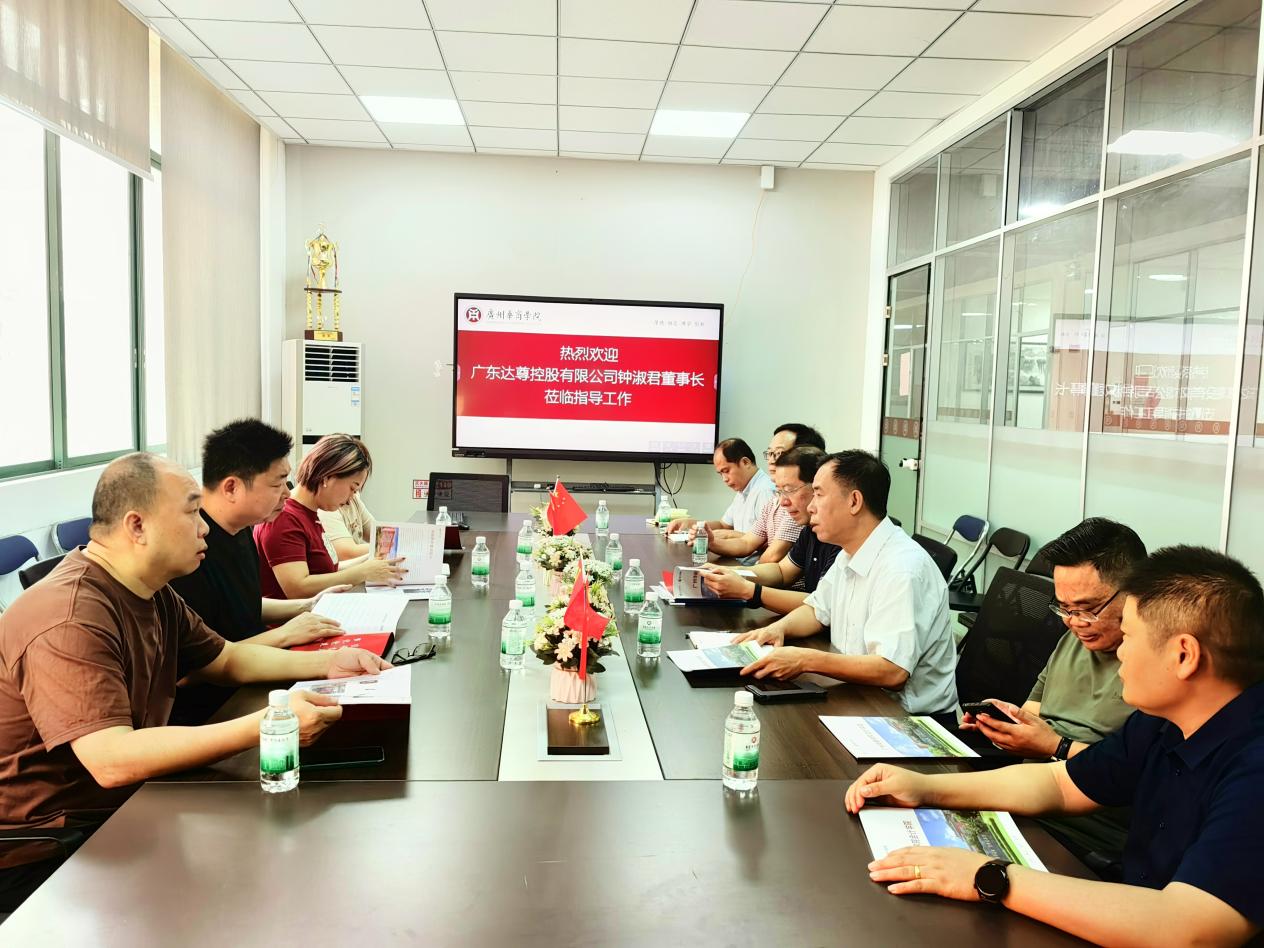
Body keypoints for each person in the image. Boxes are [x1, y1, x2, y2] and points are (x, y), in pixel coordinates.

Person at [0, 453, 391, 911]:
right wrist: (270, 724)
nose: (204, 527)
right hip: (50, 844)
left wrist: (330, 663)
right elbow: (110, 760)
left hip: (124, 806)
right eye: (191, 512)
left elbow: (226, 659)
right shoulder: (69, 617)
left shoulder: (150, 591)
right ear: (137, 526)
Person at [847, 546, 1264, 948]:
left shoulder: (1254, 764)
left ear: (1184, 655)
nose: (1120, 651)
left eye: (1129, 636)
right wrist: (925, 787)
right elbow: (1062, 784)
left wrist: (990, 876)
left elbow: (1190, 929)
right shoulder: (1164, 721)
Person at [961, 517, 1145, 867]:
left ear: (1136, 592)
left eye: (1088, 609)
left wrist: (1054, 746)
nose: (1073, 621)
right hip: (1025, 802)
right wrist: (1007, 725)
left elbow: (1140, 776)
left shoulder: (1155, 672)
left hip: (1082, 835)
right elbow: (1034, 714)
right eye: (1064, 608)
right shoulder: (1075, 639)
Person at [734, 450, 957, 715]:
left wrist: (806, 659)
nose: (811, 507)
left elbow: (892, 670)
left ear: (854, 501)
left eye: (819, 494)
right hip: (859, 696)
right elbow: (817, 609)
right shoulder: (850, 552)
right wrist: (778, 629)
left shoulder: (901, 568)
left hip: (907, 718)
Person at [168, 419, 352, 725]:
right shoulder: (189, 551)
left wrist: (307, 606)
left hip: (256, 675)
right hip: (217, 707)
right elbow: (194, 670)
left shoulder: (241, 530)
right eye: (277, 484)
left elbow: (241, 604)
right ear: (232, 487)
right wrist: (284, 634)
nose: (287, 494)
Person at [254, 434, 405, 600]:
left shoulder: (312, 514)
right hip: (298, 615)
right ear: (327, 477)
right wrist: (363, 572)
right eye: (352, 488)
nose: (351, 498)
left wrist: (370, 561)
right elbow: (298, 588)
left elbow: (328, 570)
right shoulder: (284, 518)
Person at [701, 446, 839, 615]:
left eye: (789, 490)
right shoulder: (810, 530)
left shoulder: (840, 538)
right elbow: (781, 571)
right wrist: (732, 573)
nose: (783, 502)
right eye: (779, 492)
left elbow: (820, 606)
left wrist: (748, 590)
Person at [703, 423, 825, 565]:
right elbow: (746, 543)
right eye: (770, 453)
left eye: (779, 453)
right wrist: (711, 542)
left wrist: (741, 575)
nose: (772, 460)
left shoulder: (797, 509)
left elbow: (774, 560)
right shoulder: (775, 501)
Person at [665, 438, 776, 565]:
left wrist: (729, 535)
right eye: (720, 474)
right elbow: (724, 525)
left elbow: (770, 542)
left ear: (745, 462)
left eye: (726, 471)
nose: (724, 479)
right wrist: (691, 524)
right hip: (735, 559)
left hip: (751, 567)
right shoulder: (743, 489)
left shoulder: (765, 491)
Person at [319, 492, 376, 561]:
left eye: (356, 491)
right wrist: (382, 547)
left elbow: (378, 534)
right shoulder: (327, 508)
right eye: (351, 488)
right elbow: (346, 553)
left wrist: (384, 545)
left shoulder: (353, 499)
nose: (353, 494)